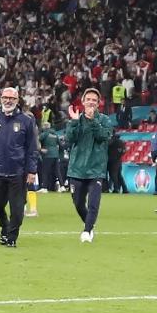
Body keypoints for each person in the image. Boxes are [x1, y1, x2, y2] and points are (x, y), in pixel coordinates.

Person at [0, 87, 37, 247]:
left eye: (12, 98)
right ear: (1, 99)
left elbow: (32, 148)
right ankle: (5, 227)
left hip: (18, 173)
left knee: (17, 210)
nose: (8, 100)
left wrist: (32, 170)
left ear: (17, 100)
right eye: (5, 97)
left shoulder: (26, 121)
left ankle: (11, 238)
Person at [65, 88, 113, 243]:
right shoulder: (76, 120)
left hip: (96, 168)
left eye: (94, 100)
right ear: (83, 102)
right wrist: (73, 122)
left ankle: (86, 231)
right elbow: (69, 139)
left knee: (93, 203)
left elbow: (104, 136)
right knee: (78, 204)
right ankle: (90, 225)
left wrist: (92, 121)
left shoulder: (104, 120)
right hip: (77, 169)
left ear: (98, 104)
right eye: (89, 99)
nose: (91, 102)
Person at [37, 121, 60, 193]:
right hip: (56, 154)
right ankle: (62, 186)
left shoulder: (45, 134)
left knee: (45, 171)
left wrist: (40, 149)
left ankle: (44, 187)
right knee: (57, 171)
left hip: (48, 155)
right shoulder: (55, 134)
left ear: (44, 127)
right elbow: (60, 144)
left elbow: (37, 140)